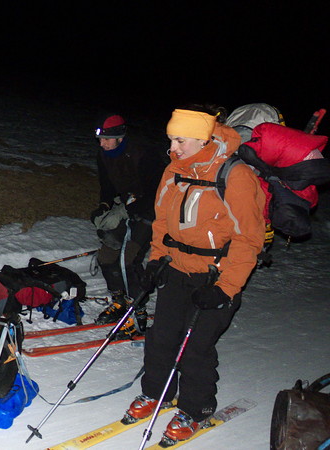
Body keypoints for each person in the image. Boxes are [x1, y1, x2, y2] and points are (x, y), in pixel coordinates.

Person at [122, 108, 265, 445]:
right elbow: (161, 221)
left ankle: (195, 409)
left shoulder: (236, 174)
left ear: (203, 139)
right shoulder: (174, 168)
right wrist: (157, 260)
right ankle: (157, 393)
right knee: (161, 336)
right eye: (171, 139)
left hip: (216, 277)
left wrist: (226, 288)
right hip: (176, 269)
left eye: (181, 140)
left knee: (196, 345)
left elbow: (249, 239)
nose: (174, 147)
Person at [90, 113, 165, 338]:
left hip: (152, 210)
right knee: (106, 255)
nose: (101, 143)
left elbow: (158, 190)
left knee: (128, 259)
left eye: (106, 139)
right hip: (127, 207)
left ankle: (137, 311)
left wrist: (136, 209)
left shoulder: (144, 154)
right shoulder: (104, 155)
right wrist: (104, 205)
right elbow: (108, 186)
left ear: (119, 137)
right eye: (100, 139)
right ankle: (119, 301)